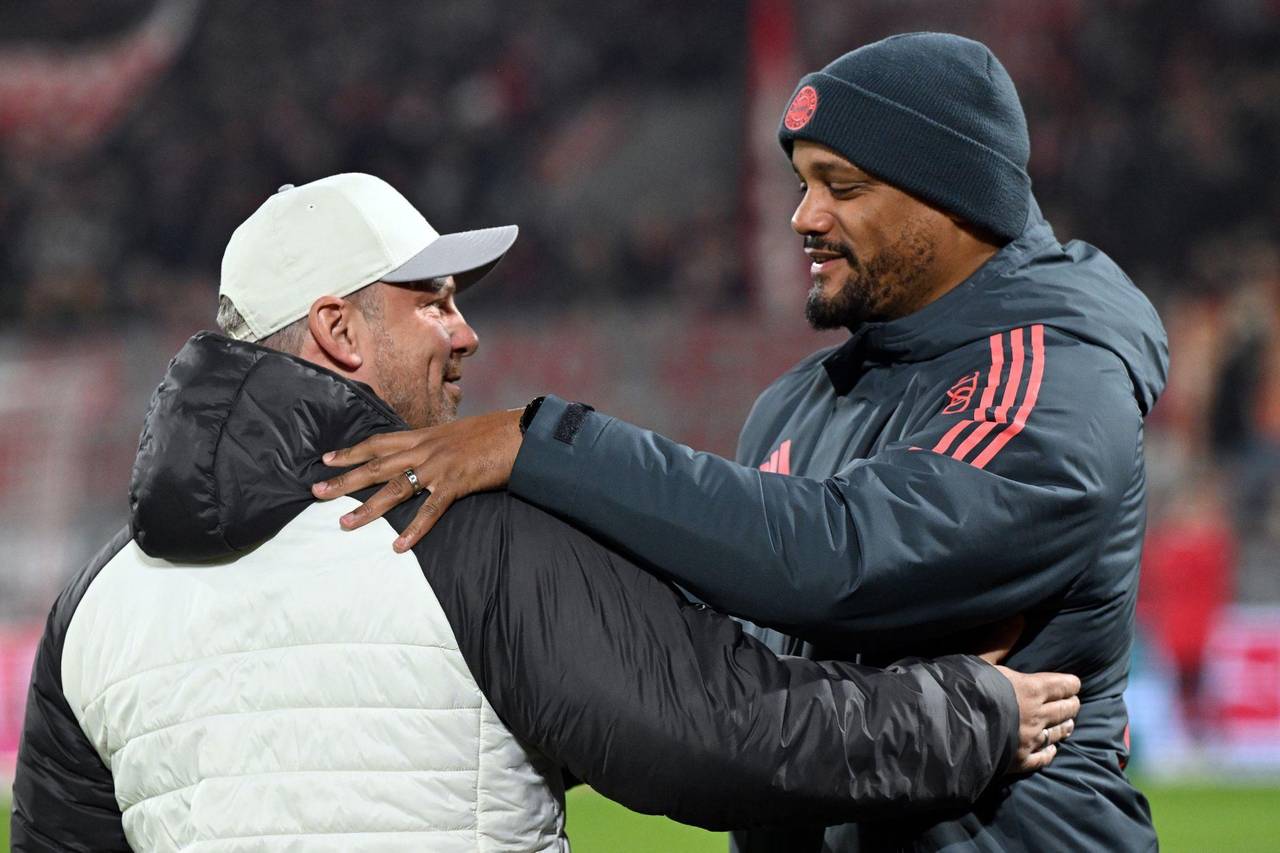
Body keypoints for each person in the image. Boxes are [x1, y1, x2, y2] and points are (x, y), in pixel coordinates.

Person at [10, 173, 1082, 851]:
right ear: (338, 331)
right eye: (432, 301)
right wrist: (967, 712)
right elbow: (722, 732)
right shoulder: (464, 530)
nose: (463, 332)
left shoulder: (96, 598)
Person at [313, 33, 1167, 851]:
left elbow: (842, 557)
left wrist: (543, 443)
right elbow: (724, 676)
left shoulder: (1052, 373)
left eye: (842, 186)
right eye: (802, 182)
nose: (803, 216)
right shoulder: (796, 404)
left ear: (954, 198)